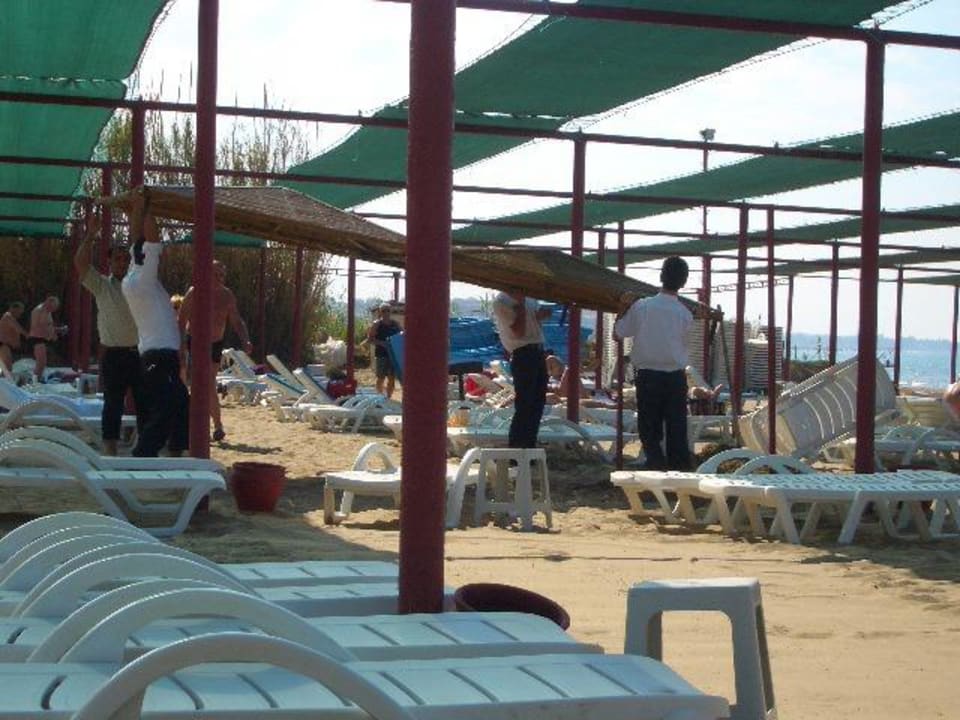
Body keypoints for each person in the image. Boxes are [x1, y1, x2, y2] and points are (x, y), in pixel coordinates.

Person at [121, 188, 189, 457]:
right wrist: (149, 205)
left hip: (156, 355)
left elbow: (137, 238)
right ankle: (143, 454)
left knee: (181, 402)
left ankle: (176, 449)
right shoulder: (144, 278)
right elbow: (151, 238)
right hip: (159, 356)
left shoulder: (132, 274)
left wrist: (138, 208)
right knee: (167, 407)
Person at [74, 213, 145, 455]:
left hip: (140, 354)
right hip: (114, 355)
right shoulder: (102, 285)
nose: (122, 263)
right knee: (113, 404)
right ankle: (110, 449)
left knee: (145, 403)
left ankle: (145, 448)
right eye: (118, 259)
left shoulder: (140, 285)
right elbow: (80, 264)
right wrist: (90, 235)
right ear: (110, 262)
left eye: (126, 259)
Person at [614, 256, 693, 470]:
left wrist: (623, 306)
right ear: (684, 282)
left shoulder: (642, 306)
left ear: (661, 276)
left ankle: (655, 465)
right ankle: (680, 471)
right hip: (675, 376)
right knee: (677, 427)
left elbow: (618, 333)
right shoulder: (685, 314)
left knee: (649, 428)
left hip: (649, 375)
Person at [178, 260, 254, 442]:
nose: (220, 278)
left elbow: (236, 320)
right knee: (197, 383)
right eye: (216, 274)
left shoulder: (227, 295)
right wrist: (180, 347)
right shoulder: (194, 292)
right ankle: (200, 425)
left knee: (209, 383)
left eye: (222, 275)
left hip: (215, 343)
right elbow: (181, 321)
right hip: (195, 342)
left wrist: (245, 339)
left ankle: (217, 425)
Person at [492, 291, 552, 448]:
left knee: (537, 403)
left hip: (537, 351)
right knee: (525, 404)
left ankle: (529, 448)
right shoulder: (502, 301)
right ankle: (517, 448)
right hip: (523, 353)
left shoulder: (530, 295)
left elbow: (536, 319)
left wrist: (540, 315)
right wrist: (521, 307)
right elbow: (518, 332)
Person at [366, 303, 401, 399]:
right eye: (383, 311)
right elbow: (370, 339)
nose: (386, 313)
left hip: (393, 355)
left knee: (391, 378)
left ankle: (388, 398)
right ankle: (379, 398)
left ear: (390, 312)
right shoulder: (377, 324)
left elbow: (402, 335)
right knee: (381, 378)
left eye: (388, 310)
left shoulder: (395, 324)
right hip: (381, 355)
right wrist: (382, 343)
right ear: (380, 312)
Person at [26, 296, 62, 382]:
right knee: (41, 362)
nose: (53, 310)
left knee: (42, 362)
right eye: (52, 307)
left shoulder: (47, 311)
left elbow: (48, 325)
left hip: (42, 338)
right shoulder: (38, 310)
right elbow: (35, 326)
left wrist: (55, 331)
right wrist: (50, 332)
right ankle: (34, 381)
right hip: (36, 338)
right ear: (48, 302)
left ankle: (37, 379)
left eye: (54, 308)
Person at [0, 301, 28, 373]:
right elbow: (18, 328)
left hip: (6, 346)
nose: (20, 314)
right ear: (13, 309)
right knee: (7, 367)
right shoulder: (8, 316)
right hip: (3, 344)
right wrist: (27, 335)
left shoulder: (11, 318)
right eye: (19, 312)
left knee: (7, 367)